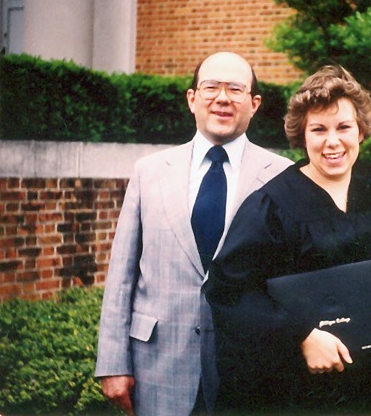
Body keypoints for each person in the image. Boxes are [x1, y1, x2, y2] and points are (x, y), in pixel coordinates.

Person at [95, 51, 292, 416]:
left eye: (235, 89)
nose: (222, 98)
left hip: (248, 370)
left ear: (254, 103)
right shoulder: (148, 172)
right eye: (211, 87)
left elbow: (288, 279)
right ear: (191, 99)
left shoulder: (283, 176)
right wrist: (111, 362)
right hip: (157, 367)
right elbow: (121, 274)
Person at [205, 64, 371, 413]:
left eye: (343, 127)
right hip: (292, 390)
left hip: (362, 386)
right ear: (302, 136)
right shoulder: (272, 204)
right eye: (318, 129)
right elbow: (227, 289)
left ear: (361, 131)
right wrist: (301, 335)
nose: (332, 141)